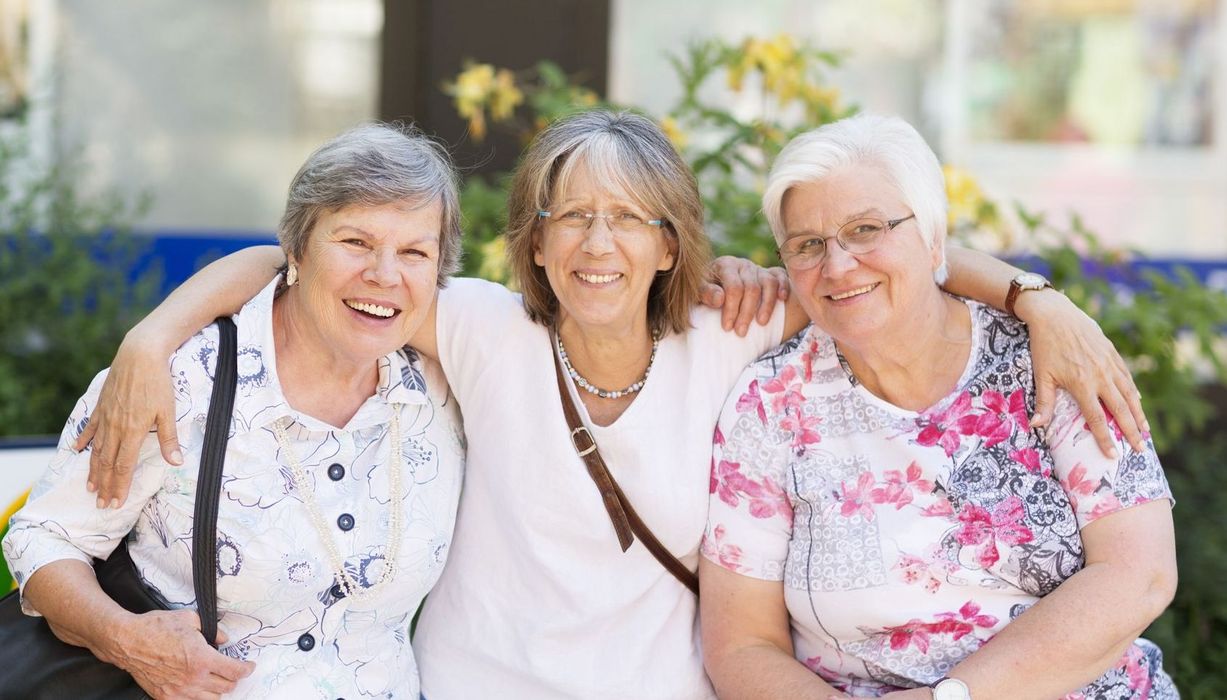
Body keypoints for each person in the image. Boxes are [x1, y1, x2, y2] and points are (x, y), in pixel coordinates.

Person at [76, 110, 1147, 699]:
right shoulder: (482, 324)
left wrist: (1033, 298)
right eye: (570, 216)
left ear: (672, 239)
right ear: (534, 238)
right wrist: (152, 334)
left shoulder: (737, 327)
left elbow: (882, 256)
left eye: (629, 218)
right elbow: (297, 261)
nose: (598, 244)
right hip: (477, 689)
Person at [699, 114, 1177, 700]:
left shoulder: (1046, 358)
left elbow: (1140, 575)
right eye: (808, 245)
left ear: (932, 237)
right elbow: (742, 645)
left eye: (867, 229)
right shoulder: (770, 403)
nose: (838, 265)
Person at [2, 123, 466, 699]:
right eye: (355, 243)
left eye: (414, 252)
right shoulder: (178, 379)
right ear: (295, 247)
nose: (385, 274)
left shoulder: (448, 385)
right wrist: (124, 637)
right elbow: (47, 537)